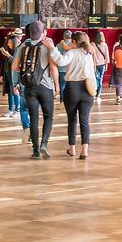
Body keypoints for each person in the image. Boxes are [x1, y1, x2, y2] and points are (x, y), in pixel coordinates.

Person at [11, 20, 57, 159]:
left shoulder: (23, 45)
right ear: (43, 32)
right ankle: (44, 144)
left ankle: (35, 150)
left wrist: (23, 74)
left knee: (34, 119)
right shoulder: (47, 45)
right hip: (46, 87)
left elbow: (14, 67)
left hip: (29, 87)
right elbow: (53, 68)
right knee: (48, 116)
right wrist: (57, 86)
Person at [50, 31, 96, 159]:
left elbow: (60, 61)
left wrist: (52, 48)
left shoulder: (72, 53)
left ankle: (72, 149)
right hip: (87, 89)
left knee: (72, 120)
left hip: (72, 88)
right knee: (85, 121)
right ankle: (85, 151)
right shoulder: (88, 54)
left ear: (74, 42)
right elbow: (92, 73)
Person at [0, 31, 20, 116]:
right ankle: (10, 109)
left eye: (10, 43)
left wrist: (8, 55)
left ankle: (17, 110)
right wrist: (2, 75)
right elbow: (4, 63)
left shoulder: (18, 50)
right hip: (7, 73)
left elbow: (16, 63)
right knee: (9, 93)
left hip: (14, 75)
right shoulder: (9, 50)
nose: (8, 44)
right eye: (8, 42)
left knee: (15, 92)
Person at [90, 31, 110, 100]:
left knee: (94, 79)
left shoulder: (92, 44)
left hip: (94, 64)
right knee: (100, 79)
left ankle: (93, 93)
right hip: (102, 65)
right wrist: (106, 65)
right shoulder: (105, 45)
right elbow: (107, 56)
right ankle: (98, 95)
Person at [56, 29, 74, 98]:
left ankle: (62, 99)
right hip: (71, 68)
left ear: (63, 37)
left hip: (61, 68)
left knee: (62, 85)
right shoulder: (74, 45)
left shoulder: (58, 45)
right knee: (70, 85)